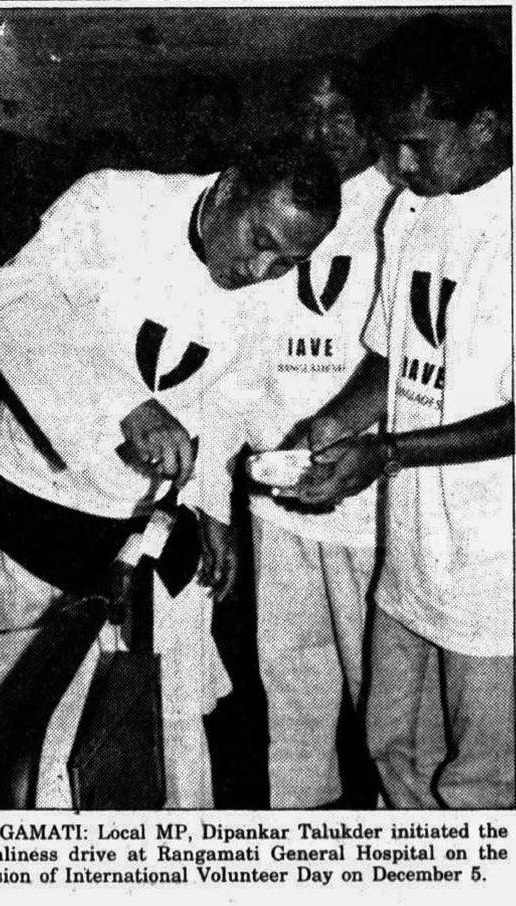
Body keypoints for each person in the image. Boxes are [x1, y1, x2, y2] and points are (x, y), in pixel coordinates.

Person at [0, 134, 341, 807]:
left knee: (138, 737)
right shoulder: (113, 204)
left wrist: (214, 507)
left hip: (141, 531)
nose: (262, 270)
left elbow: (226, 404)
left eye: (288, 261)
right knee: (15, 732)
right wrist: (126, 406)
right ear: (228, 188)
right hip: (34, 512)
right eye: (259, 241)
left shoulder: (269, 292)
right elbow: (14, 304)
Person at [275, 15, 513, 808]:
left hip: (494, 574)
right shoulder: (410, 213)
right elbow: (392, 353)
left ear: (486, 125)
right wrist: (336, 423)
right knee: (391, 751)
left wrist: (391, 453)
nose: (399, 166)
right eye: (391, 143)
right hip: (410, 555)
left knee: (479, 786)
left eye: (417, 144)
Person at [246, 56, 396, 807]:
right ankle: (298, 825)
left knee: (384, 698)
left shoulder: (401, 208)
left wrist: (343, 435)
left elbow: (399, 356)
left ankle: (399, 838)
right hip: (276, 490)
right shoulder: (275, 204)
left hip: (363, 499)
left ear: (369, 120)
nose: (323, 130)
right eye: (309, 114)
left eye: (339, 113)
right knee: (291, 680)